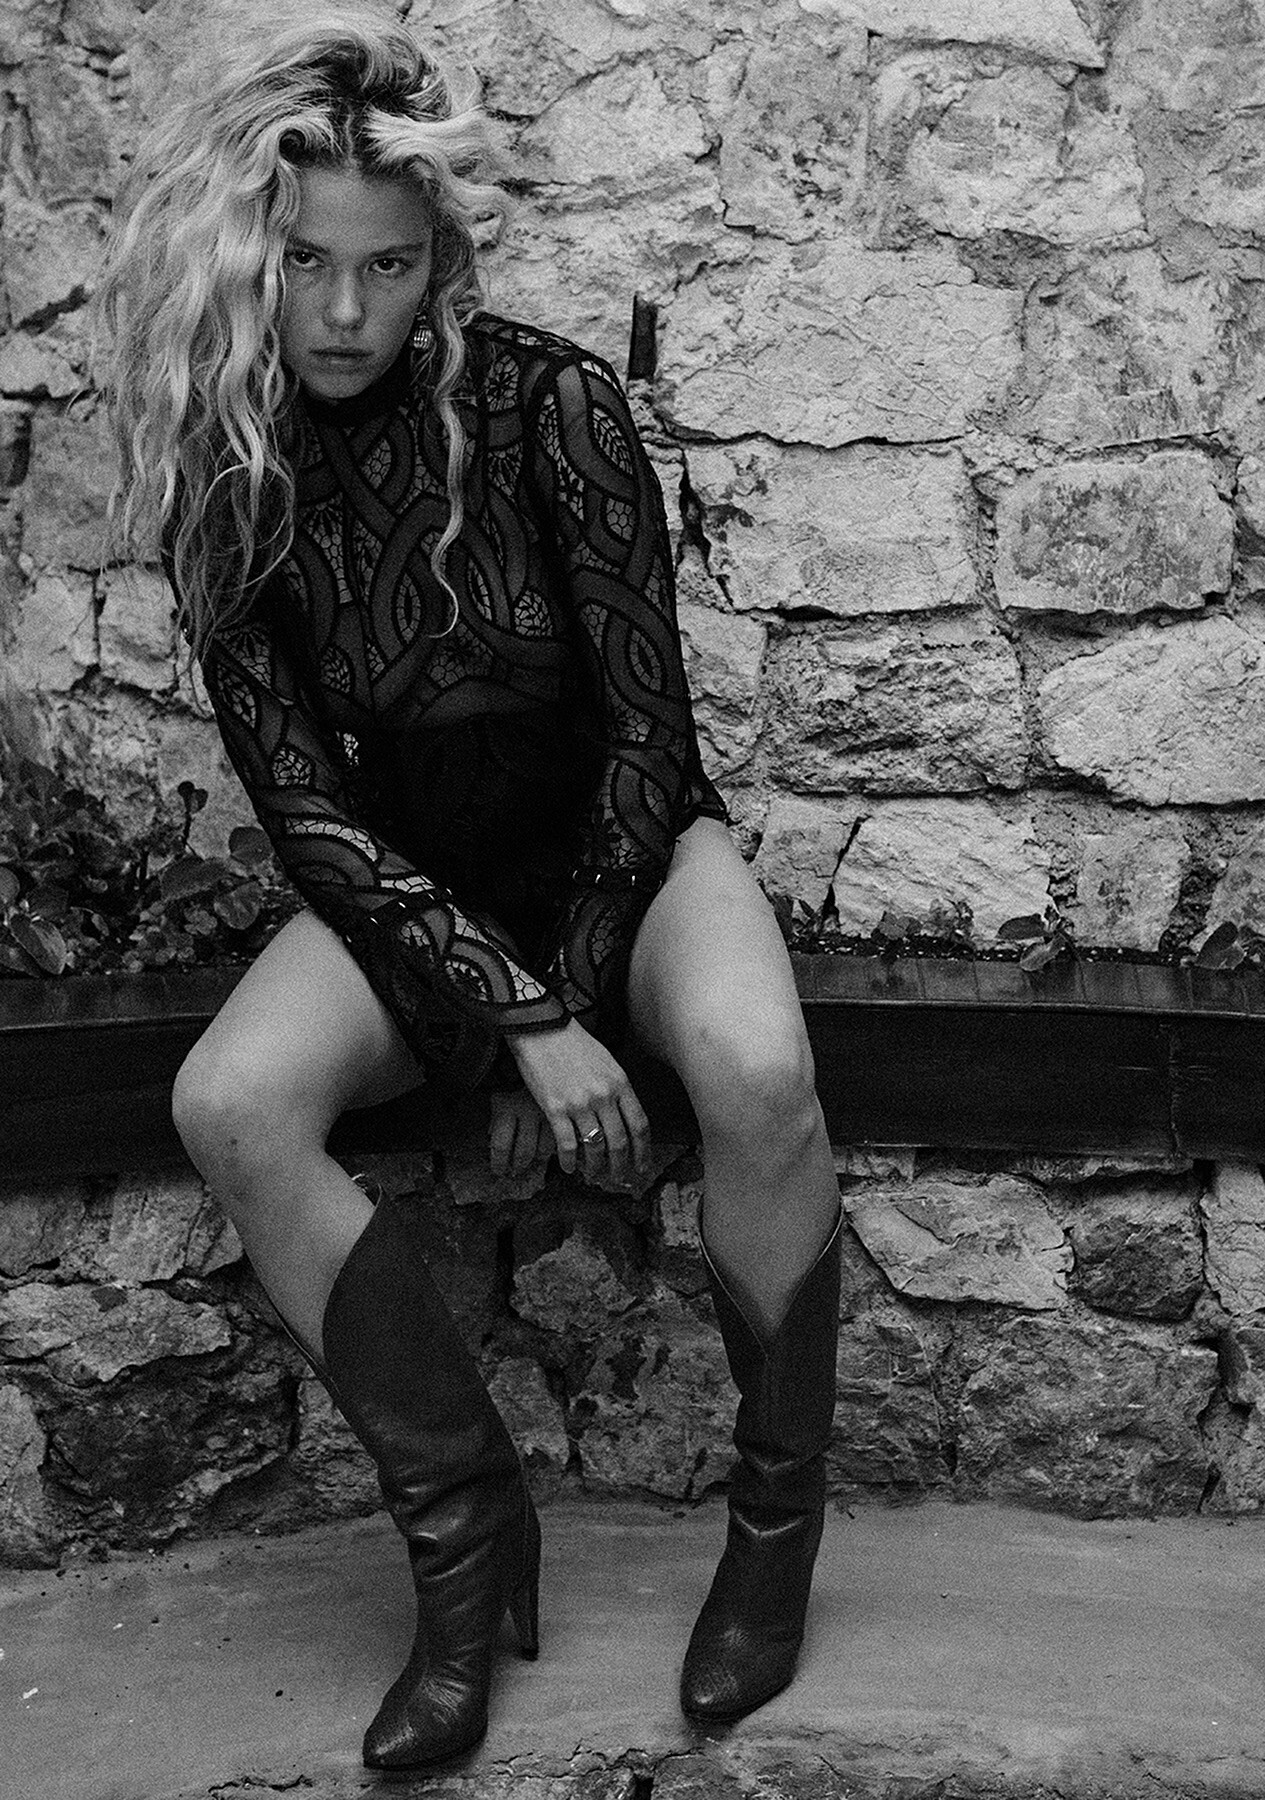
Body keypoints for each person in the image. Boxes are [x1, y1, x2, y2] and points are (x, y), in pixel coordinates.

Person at [100, 9, 843, 1775]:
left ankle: (772, 1536)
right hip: (409, 883)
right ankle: (464, 1536)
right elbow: (306, 811)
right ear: (249, 259)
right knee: (230, 1101)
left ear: (437, 260)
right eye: (306, 265)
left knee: (758, 1071)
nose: (344, 311)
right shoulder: (232, 471)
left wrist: (567, 1000)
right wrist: (510, 1019)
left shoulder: (549, 404)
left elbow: (650, 734)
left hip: (628, 857)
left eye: (386, 266)